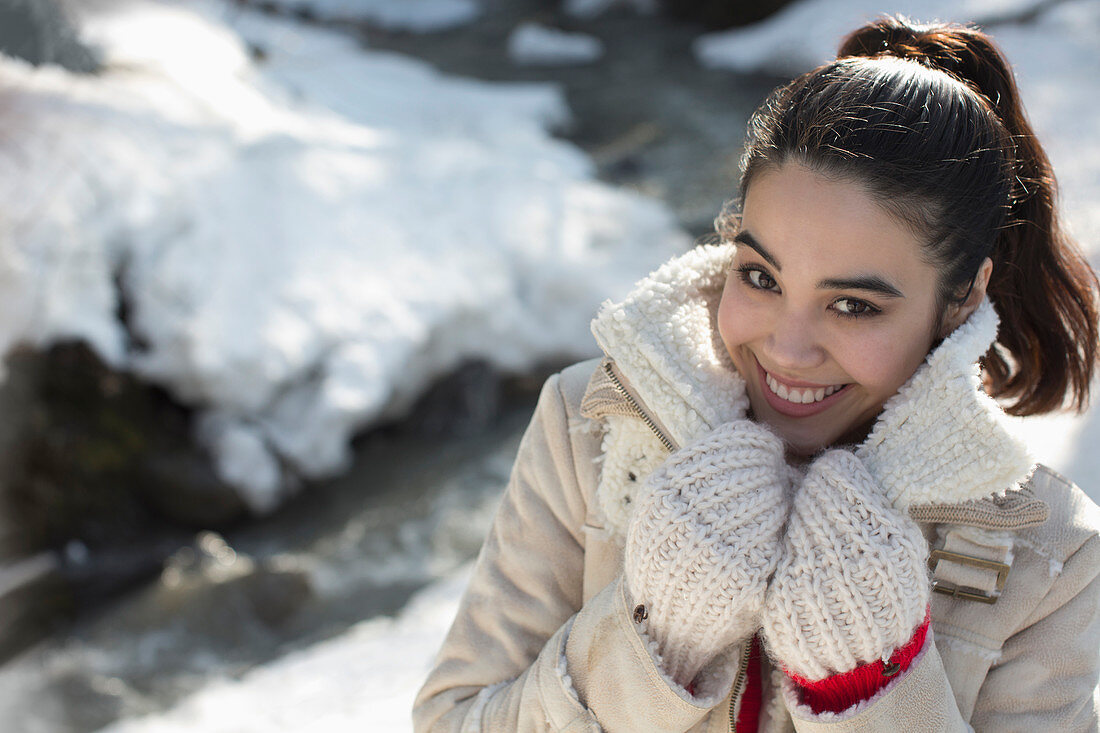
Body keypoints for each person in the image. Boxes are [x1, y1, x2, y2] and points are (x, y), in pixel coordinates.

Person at [413, 15, 1100, 732]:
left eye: (853, 304)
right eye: (762, 276)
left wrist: (868, 683)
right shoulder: (588, 422)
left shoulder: (1048, 553)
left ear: (961, 298)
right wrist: (654, 642)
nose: (788, 349)